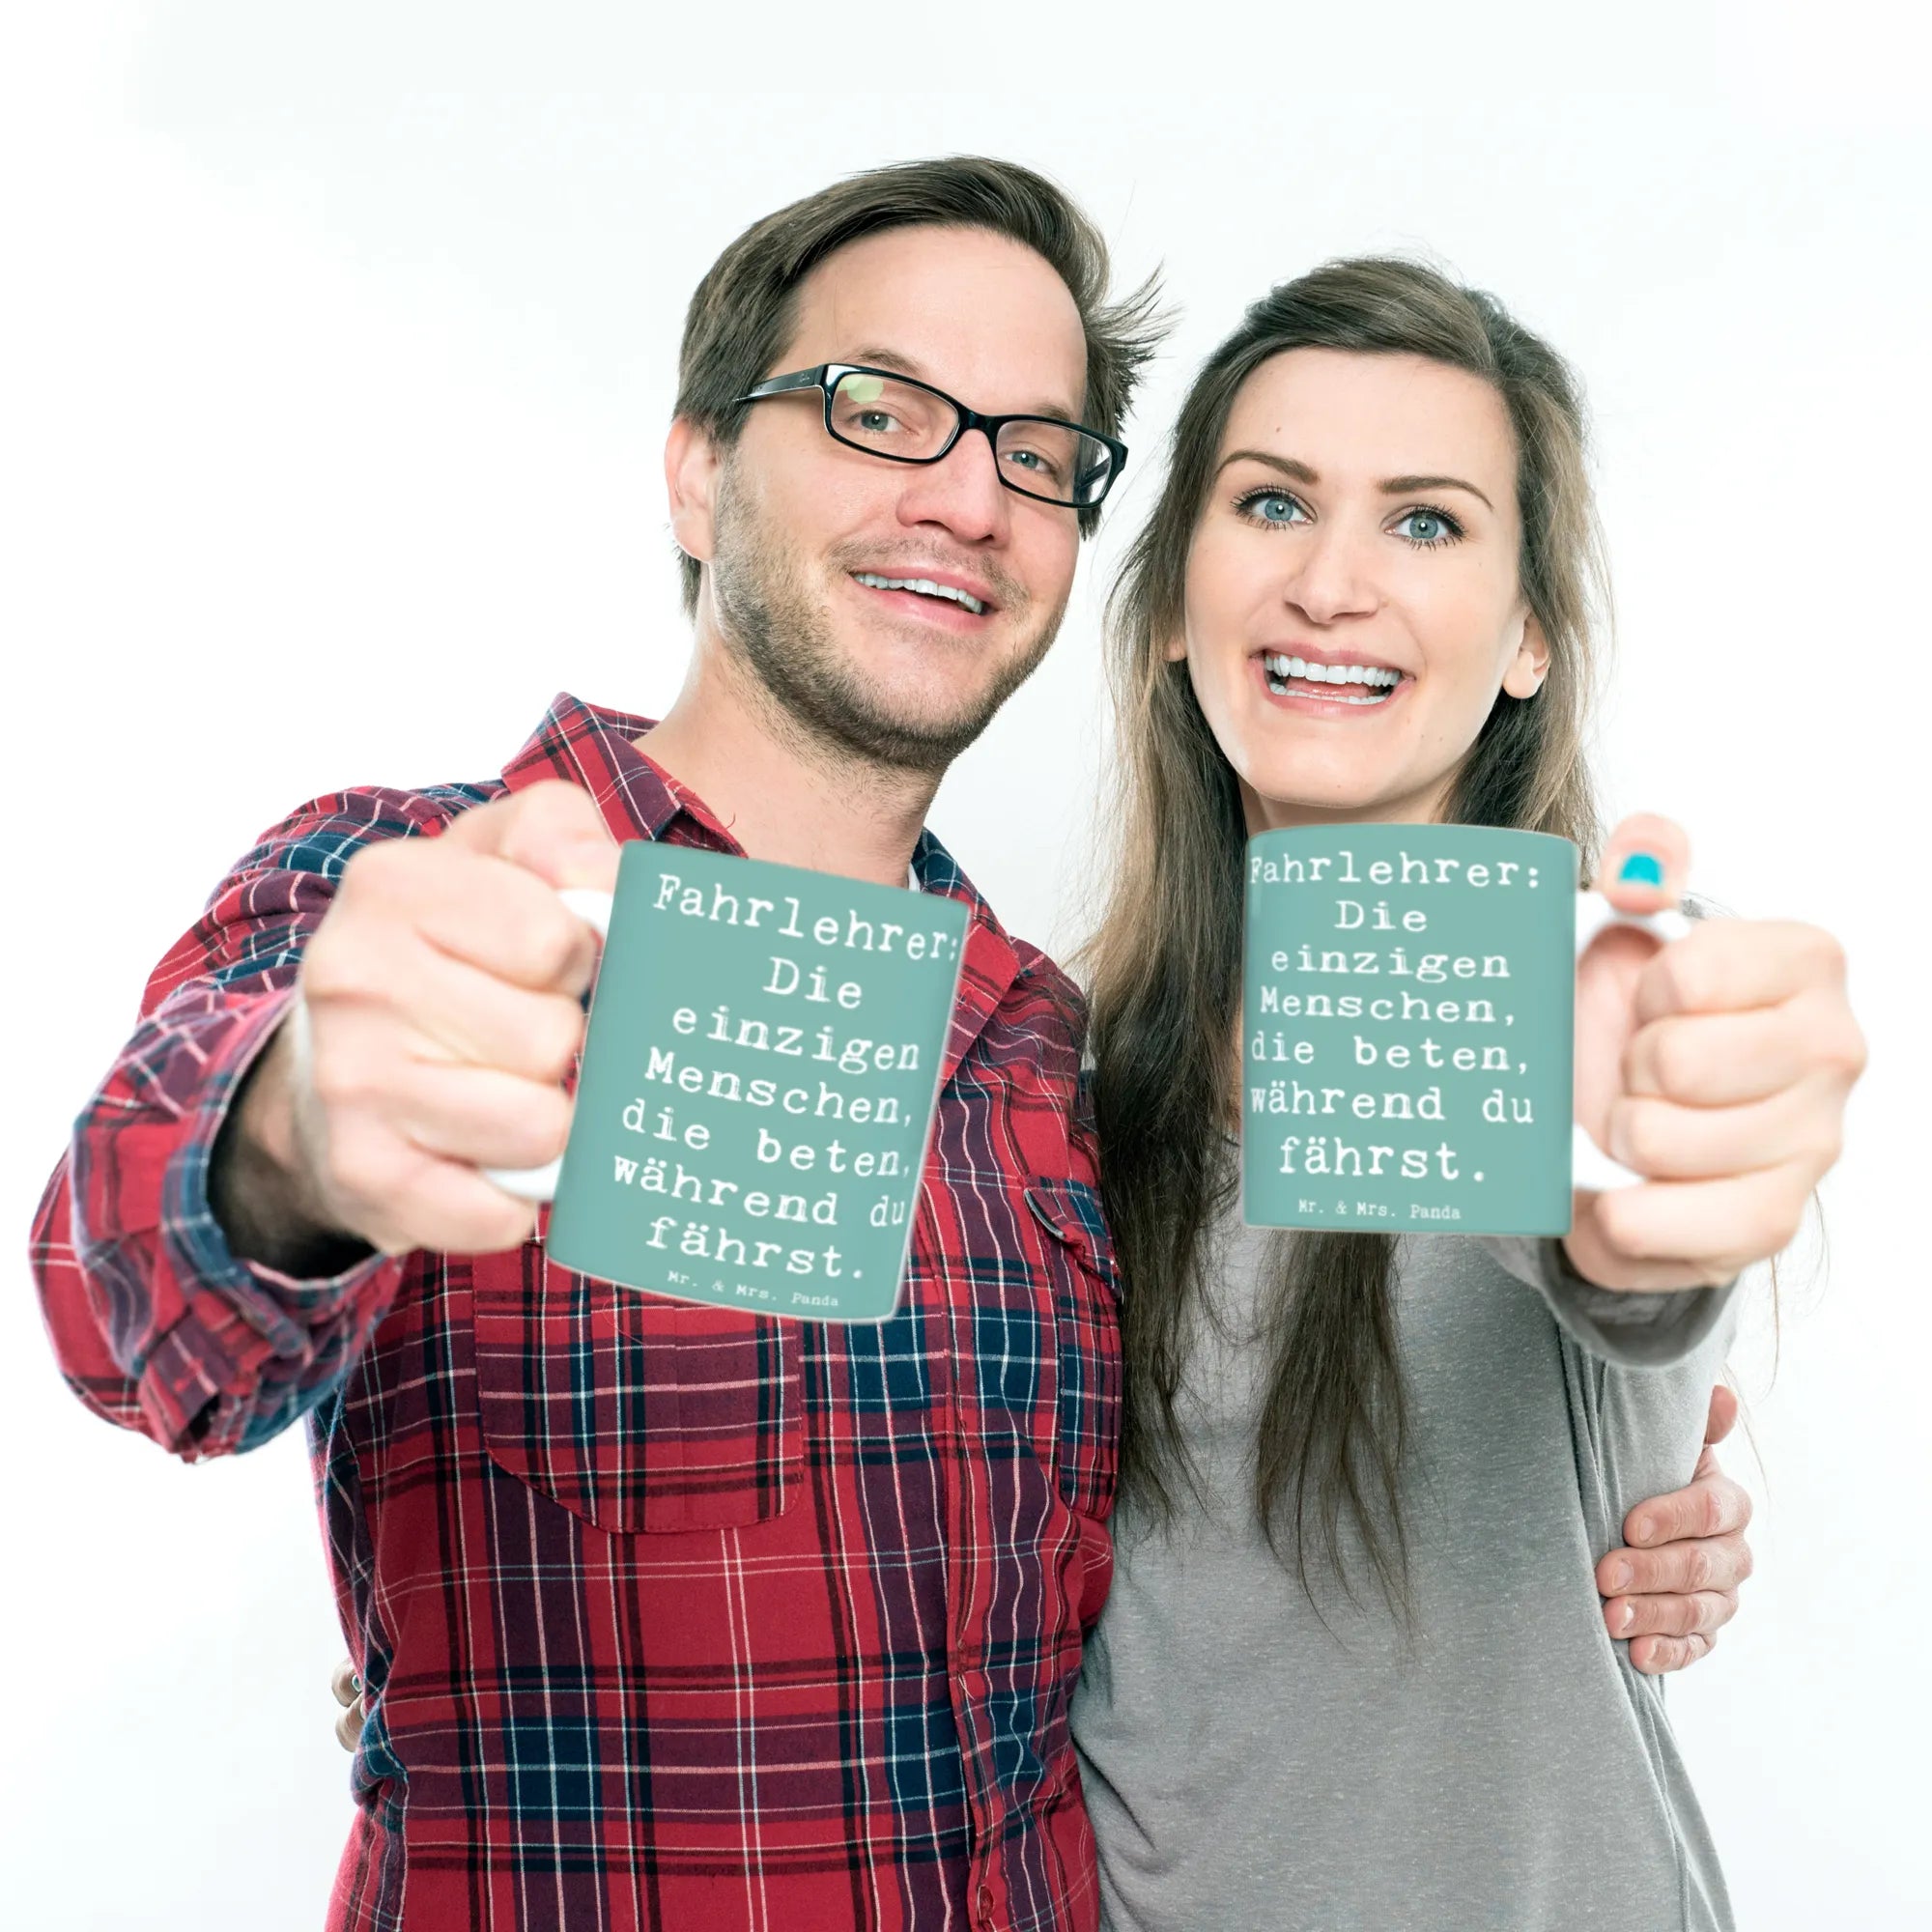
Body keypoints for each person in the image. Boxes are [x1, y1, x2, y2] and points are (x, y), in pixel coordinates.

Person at [35, 157, 1765, 1932]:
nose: (965, 496)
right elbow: (122, 1292)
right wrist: (297, 1138)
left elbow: (1578, 1267)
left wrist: (1644, 1427)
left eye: (1035, 451)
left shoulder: (1045, 1055)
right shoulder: (420, 892)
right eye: (880, 410)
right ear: (698, 468)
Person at [1070, 258, 1866, 1930]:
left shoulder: (1593, 996)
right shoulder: (1063, 1077)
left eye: (1426, 522)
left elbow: (1625, 1247)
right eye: (1272, 503)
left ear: (1527, 639)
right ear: (1170, 606)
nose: (1332, 583)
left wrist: (1665, 1179)